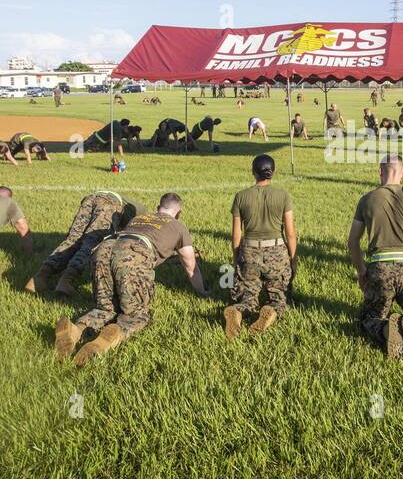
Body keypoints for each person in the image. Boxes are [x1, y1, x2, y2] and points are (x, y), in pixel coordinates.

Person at [54, 193, 208, 365]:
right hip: (133, 254)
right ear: (179, 213)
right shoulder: (179, 226)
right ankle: (105, 340)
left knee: (106, 308)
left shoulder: (140, 218)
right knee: (136, 315)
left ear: (158, 209)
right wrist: (201, 292)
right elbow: (190, 265)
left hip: (103, 249)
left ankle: (75, 330)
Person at [347, 155, 403, 358]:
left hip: (380, 268)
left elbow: (353, 241)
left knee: (370, 317)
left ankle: (387, 330)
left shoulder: (367, 199)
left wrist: (361, 272)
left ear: (380, 171)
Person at [225, 155, 297, 338]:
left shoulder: (241, 196)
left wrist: (237, 258)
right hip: (277, 251)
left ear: (253, 172)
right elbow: (290, 233)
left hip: (249, 250)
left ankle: (239, 310)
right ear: (273, 172)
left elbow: (236, 233)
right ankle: (271, 309)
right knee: (278, 294)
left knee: (246, 293)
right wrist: (292, 259)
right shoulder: (283, 195)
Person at [27, 190, 143, 295]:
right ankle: (67, 280)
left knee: (72, 240)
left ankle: (40, 278)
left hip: (91, 198)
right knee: (92, 243)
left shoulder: (135, 207)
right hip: (110, 204)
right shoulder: (142, 217)